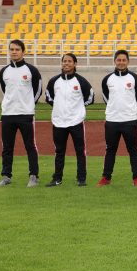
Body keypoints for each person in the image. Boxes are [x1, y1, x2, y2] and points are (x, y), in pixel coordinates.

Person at [0, 39, 43, 188]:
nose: (14, 52)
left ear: (23, 51)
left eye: (17, 49)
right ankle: (6, 176)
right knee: (7, 147)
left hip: (26, 114)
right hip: (8, 114)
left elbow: (38, 90)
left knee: (30, 146)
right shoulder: (4, 71)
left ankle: (34, 176)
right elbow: (5, 90)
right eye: (11, 49)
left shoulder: (31, 70)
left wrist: (28, 105)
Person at [44, 53, 94, 187]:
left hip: (76, 121)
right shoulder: (54, 81)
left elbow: (90, 98)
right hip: (59, 122)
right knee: (59, 151)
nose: (66, 63)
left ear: (75, 64)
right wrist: (60, 108)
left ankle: (81, 178)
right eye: (64, 61)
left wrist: (77, 109)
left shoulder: (81, 81)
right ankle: (57, 178)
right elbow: (48, 97)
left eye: (69, 61)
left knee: (80, 151)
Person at [97, 50, 137, 187]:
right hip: (112, 120)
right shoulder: (107, 79)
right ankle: (106, 177)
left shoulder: (135, 78)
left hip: (129, 120)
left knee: (133, 150)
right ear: (115, 61)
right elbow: (106, 97)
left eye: (124, 60)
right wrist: (113, 109)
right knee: (110, 150)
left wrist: (130, 109)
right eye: (119, 60)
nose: (121, 62)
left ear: (128, 61)